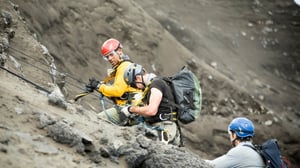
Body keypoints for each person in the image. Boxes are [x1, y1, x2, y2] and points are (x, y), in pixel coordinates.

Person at [120, 63, 181, 146]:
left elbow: (151, 110)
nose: (137, 88)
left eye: (134, 84)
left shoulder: (156, 84)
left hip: (165, 128)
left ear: (138, 77)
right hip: (167, 127)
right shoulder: (157, 83)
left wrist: (131, 109)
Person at [85, 38, 142, 125]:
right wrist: (98, 86)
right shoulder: (123, 66)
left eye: (111, 55)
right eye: (107, 57)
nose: (109, 59)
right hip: (131, 108)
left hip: (129, 109)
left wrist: (99, 86)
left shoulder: (124, 67)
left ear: (119, 51)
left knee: (99, 119)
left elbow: (117, 91)